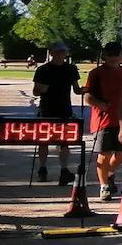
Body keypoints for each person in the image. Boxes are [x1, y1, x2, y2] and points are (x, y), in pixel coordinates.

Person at [85, 40, 122, 200]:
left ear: (121, 55)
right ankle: (104, 186)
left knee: (121, 154)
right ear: (105, 56)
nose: (113, 58)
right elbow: (88, 96)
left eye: (116, 54)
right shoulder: (96, 73)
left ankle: (109, 173)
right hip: (102, 120)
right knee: (104, 154)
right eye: (110, 55)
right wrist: (99, 104)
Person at [33, 40, 83, 184]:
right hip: (47, 109)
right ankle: (42, 168)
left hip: (65, 109)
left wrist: (85, 90)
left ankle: (64, 170)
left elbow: (76, 89)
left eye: (63, 52)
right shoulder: (43, 70)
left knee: (64, 143)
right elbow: (35, 92)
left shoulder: (71, 69)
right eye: (58, 52)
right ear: (52, 53)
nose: (61, 54)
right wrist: (41, 89)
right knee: (44, 141)